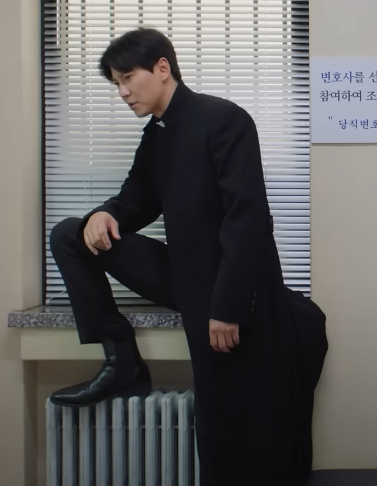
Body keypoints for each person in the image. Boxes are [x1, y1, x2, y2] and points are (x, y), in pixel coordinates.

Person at [47, 27, 328, 486]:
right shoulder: (157, 136)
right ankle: (121, 358)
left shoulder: (224, 119)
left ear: (162, 68)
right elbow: (136, 199)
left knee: (234, 433)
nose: (122, 93)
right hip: (187, 278)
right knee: (69, 234)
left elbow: (247, 219)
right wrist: (104, 213)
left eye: (127, 78)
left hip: (233, 292)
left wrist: (227, 307)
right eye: (116, 84)